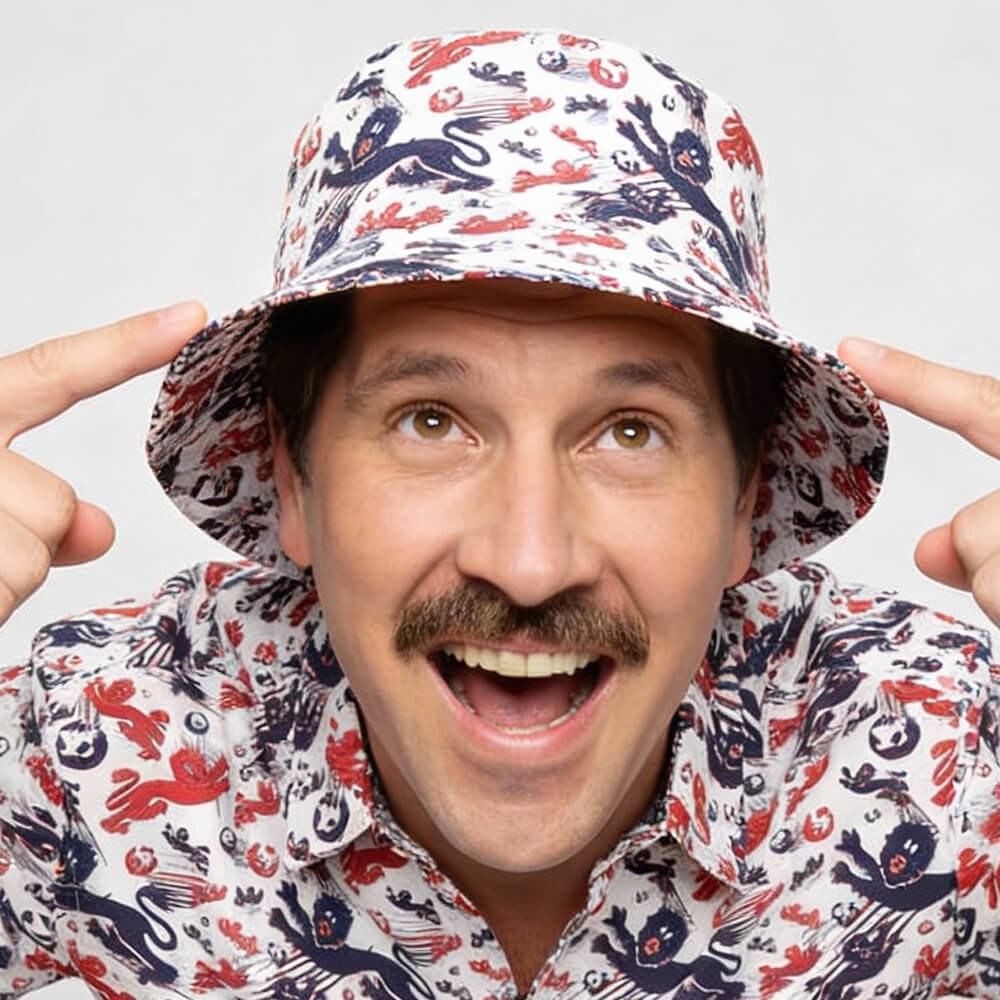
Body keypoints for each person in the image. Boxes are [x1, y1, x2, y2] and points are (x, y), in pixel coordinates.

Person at [0, 28, 998, 999]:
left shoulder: (945, 757)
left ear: (744, 499)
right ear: (292, 479)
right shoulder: (86, 748)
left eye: (631, 432)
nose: (529, 563)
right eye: (430, 421)